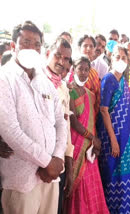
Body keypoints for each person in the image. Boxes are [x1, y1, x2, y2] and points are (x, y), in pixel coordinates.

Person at [0, 20, 67, 214]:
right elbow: (11, 131)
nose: (32, 48)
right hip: (21, 181)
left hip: (50, 178)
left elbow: (60, 122)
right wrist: (48, 162)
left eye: (37, 44)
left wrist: (57, 157)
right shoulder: (4, 79)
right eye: (26, 42)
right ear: (14, 46)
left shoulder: (45, 81)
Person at [65, 56, 109, 214]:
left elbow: (92, 120)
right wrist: (93, 138)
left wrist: (94, 144)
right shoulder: (69, 91)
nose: (83, 73)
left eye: (86, 70)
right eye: (80, 69)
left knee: (91, 183)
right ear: (74, 69)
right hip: (76, 146)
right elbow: (74, 122)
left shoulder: (90, 94)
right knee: (78, 184)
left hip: (89, 148)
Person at [97, 45, 130, 213]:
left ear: (128, 61)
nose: (120, 60)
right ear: (111, 59)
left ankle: (126, 210)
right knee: (112, 176)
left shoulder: (124, 82)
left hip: (126, 139)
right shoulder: (108, 80)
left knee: (125, 174)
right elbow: (104, 110)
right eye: (117, 57)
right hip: (111, 137)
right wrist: (113, 140)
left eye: (123, 57)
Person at [44, 37, 74, 214]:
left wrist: (68, 167)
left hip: (58, 163)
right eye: (58, 56)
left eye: (66, 59)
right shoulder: (34, 79)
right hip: (34, 164)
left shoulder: (63, 88)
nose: (62, 62)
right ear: (48, 54)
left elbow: (66, 127)